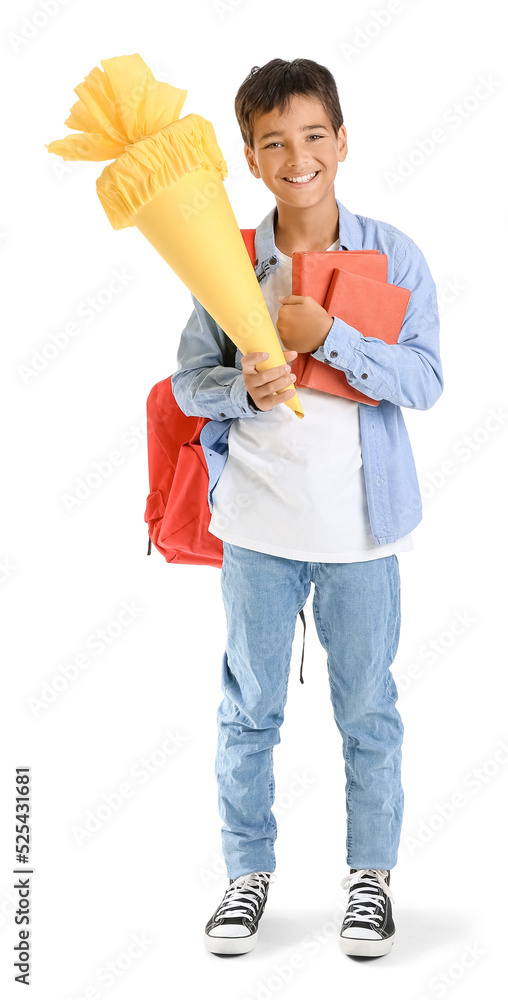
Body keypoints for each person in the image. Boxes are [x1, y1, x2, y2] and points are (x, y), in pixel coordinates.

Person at [171, 57, 443, 959]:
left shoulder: (394, 253)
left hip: (363, 533)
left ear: (343, 140)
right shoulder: (228, 260)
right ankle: (246, 873)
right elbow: (188, 384)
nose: (298, 157)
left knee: (367, 709)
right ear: (251, 157)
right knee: (249, 711)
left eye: (313, 136)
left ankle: (371, 882)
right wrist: (245, 390)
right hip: (256, 530)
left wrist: (332, 337)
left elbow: (425, 379)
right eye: (274, 142)